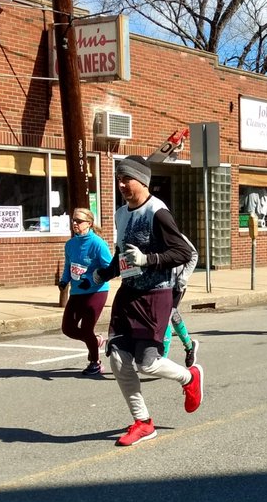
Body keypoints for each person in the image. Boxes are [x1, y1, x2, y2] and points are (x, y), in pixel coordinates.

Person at [94, 157, 203, 447]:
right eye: (118, 179)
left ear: (142, 181)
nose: (120, 185)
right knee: (117, 358)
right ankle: (143, 422)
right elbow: (122, 255)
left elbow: (182, 252)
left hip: (156, 295)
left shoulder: (158, 212)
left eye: (125, 179)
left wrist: (149, 260)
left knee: (147, 364)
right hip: (128, 293)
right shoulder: (121, 214)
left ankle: (189, 378)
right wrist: (102, 274)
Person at [59, 207, 112, 376]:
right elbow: (69, 265)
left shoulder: (98, 244)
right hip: (77, 292)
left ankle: (95, 362)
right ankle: (95, 341)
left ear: (89, 223)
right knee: (68, 328)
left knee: (87, 328)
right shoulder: (70, 244)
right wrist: (64, 280)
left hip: (96, 291)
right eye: (73, 220)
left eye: (79, 221)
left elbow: (110, 269)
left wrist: (90, 280)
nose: (75, 223)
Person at [160, 232, 200, 367]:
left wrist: (184, 277)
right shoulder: (147, 236)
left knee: (166, 317)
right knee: (173, 315)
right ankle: (190, 346)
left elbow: (193, 254)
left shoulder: (177, 236)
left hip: (176, 284)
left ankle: (162, 359)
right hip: (158, 285)